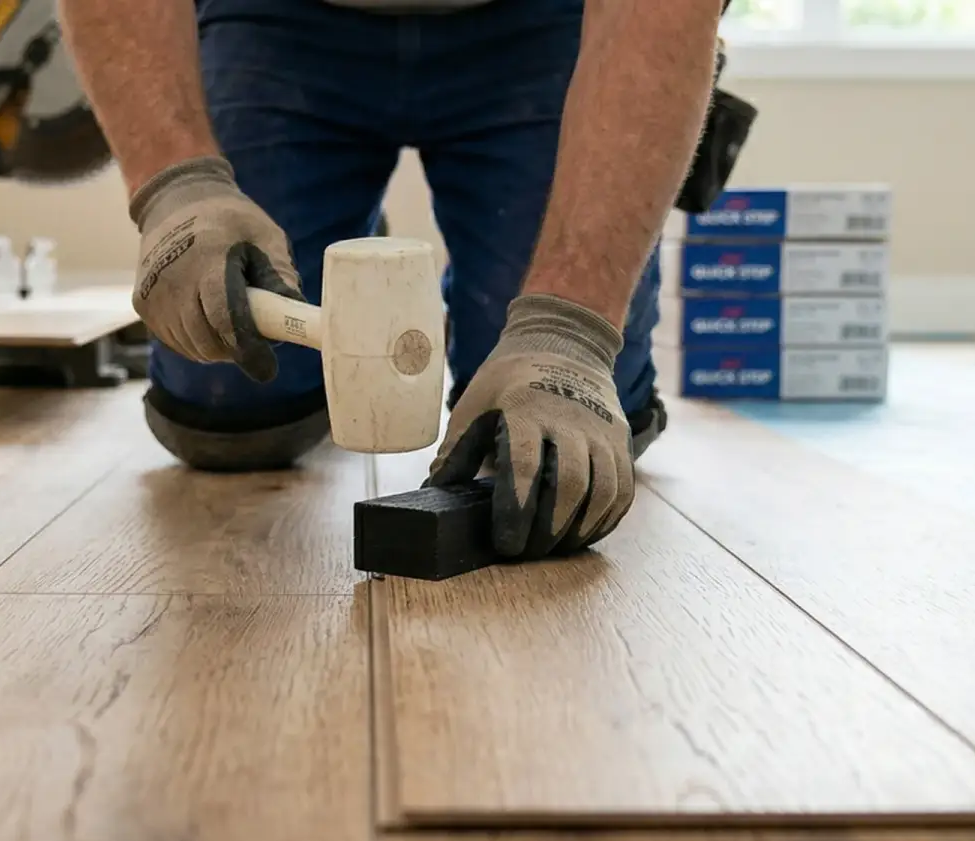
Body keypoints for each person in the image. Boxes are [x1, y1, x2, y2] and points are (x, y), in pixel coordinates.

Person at [57, 0, 727, 560]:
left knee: (554, 449)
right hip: (278, 18)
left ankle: (383, 257)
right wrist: (177, 185)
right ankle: (343, 257)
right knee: (224, 409)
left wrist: (572, 330)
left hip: (545, 20)